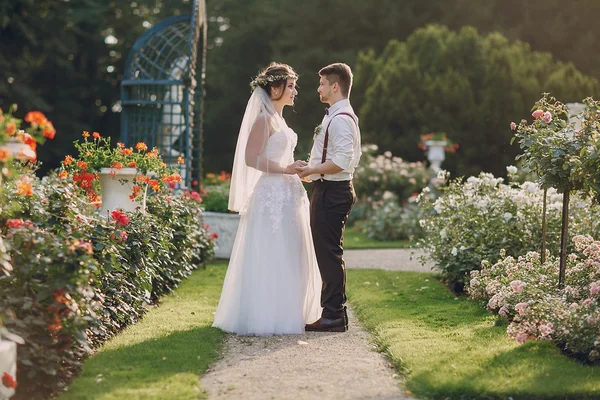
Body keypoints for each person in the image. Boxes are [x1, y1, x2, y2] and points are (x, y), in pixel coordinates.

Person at [212, 62, 322, 335]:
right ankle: (265, 315)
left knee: (290, 252)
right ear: (275, 88)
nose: (295, 91)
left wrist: (296, 170)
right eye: (291, 86)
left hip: (288, 193)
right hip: (271, 195)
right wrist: (285, 169)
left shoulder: (279, 119)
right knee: (272, 252)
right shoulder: (264, 119)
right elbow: (252, 158)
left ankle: (290, 312)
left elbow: (278, 157)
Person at [299, 63, 362, 332]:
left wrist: (312, 170)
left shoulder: (341, 119)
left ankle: (334, 314)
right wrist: (311, 170)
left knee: (329, 255)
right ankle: (335, 313)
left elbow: (341, 161)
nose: (319, 88)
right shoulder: (336, 116)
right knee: (328, 253)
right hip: (328, 190)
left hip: (332, 193)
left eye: (323, 84)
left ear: (335, 86)